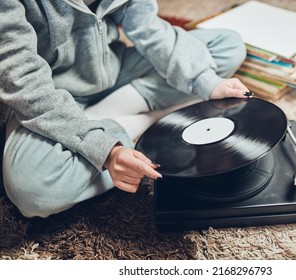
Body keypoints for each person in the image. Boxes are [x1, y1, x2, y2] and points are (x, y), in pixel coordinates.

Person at [0, 0, 249, 218]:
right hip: (49, 97)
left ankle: (109, 116)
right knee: (32, 191)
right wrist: (105, 150)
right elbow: (23, 81)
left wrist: (206, 81)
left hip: (113, 71)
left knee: (228, 46)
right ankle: (147, 122)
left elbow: (149, 29)